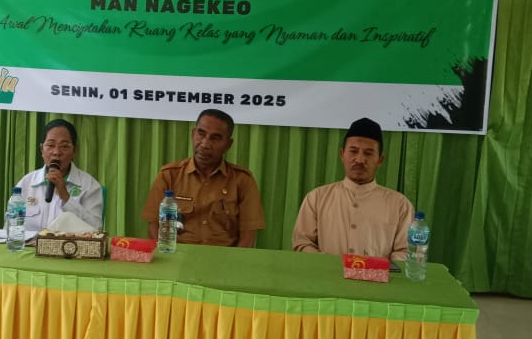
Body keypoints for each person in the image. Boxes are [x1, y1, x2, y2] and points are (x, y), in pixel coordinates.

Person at [292, 117, 413, 261]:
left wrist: (376, 269)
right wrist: (329, 264)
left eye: (368, 153)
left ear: (380, 160)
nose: (360, 159)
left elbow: (405, 251)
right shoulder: (316, 198)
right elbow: (302, 243)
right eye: (353, 151)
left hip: (378, 276)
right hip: (327, 275)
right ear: (342, 155)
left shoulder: (400, 205)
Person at [142, 109, 265, 247]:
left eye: (215, 138)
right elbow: (154, 226)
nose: (205, 144)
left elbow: (248, 236)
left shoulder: (242, 180)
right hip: (178, 255)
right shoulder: (169, 175)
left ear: (228, 144)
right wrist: (167, 254)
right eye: (201, 134)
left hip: (224, 257)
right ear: (193, 134)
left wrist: (233, 260)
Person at [14, 119, 104, 231]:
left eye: (64, 146)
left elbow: (96, 228)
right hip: (31, 242)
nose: (56, 152)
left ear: (74, 151)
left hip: (69, 243)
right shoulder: (26, 183)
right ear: (42, 149)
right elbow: (11, 226)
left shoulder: (89, 185)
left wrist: (66, 198)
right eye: (50, 145)